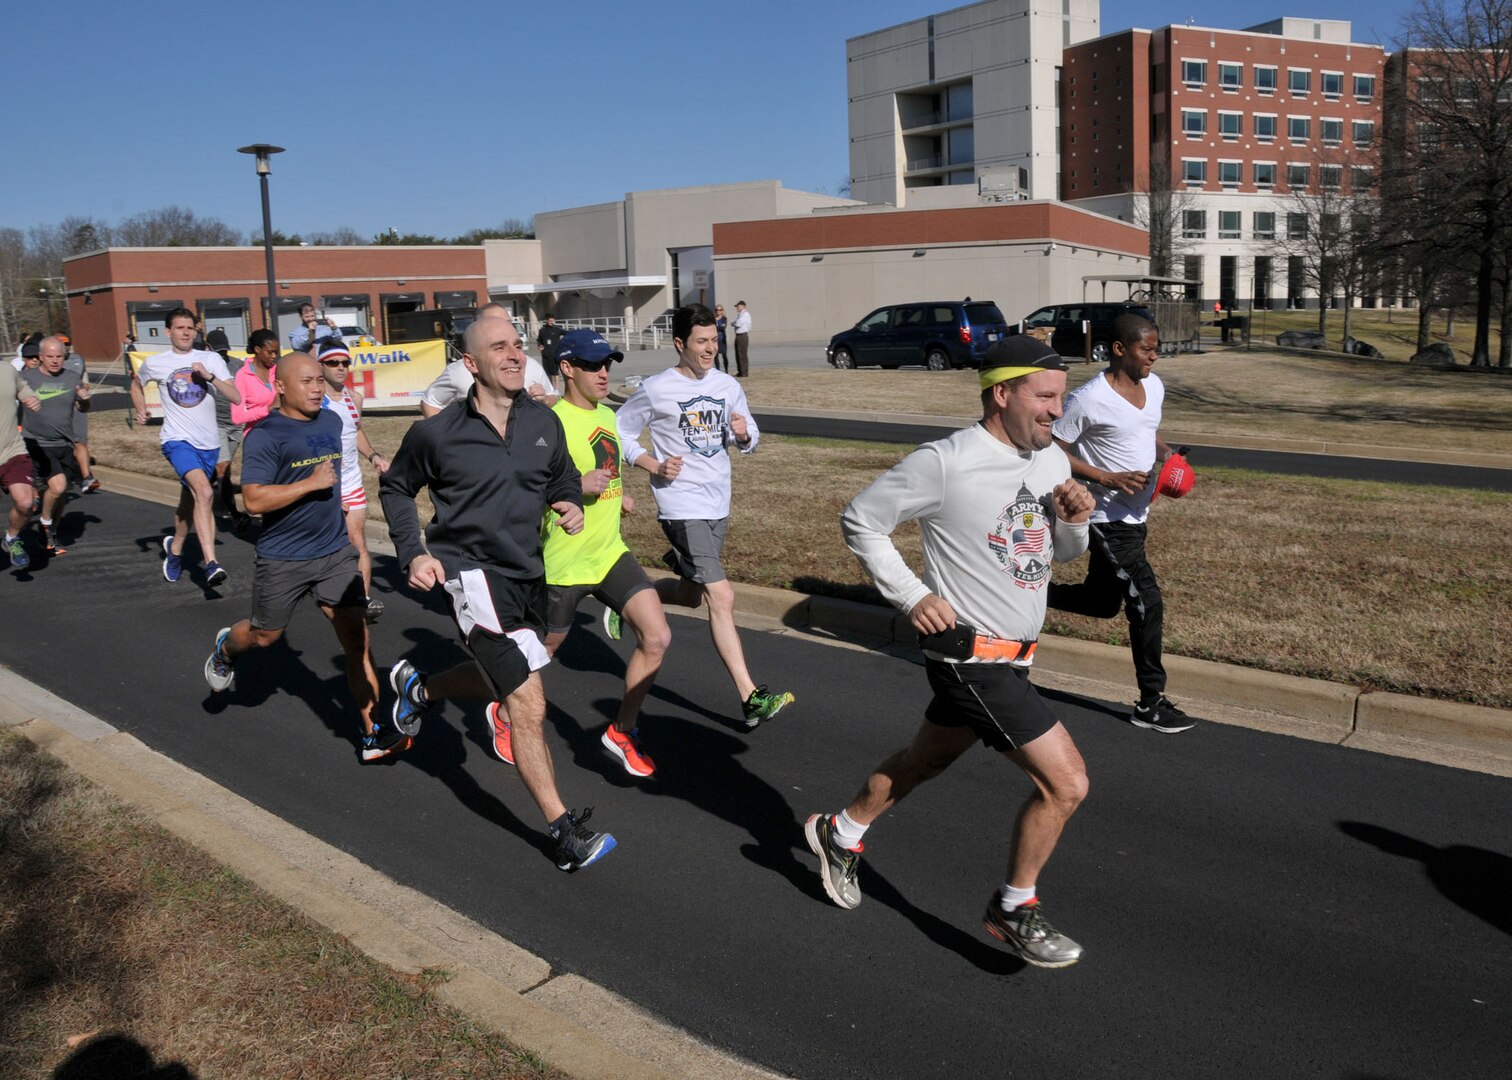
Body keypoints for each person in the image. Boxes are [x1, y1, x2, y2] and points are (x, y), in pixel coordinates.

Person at [806, 335, 1096, 969]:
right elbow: (861, 519)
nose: (1056, 410)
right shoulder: (947, 460)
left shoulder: (1050, 463)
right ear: (1002, 393)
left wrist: (1075, 518)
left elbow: (1056, 558)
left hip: (1016, 655)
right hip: (972, 662)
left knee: (925, 761)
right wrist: (911, 596)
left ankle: (841, 830)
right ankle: (1014, 906)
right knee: (1067, 784)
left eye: (1061, 398)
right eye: (1045, 397)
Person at [380, 315, 617, 872]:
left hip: (526, 575)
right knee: (527, 699)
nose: (513, 355)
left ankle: (419, 690)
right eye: (498, 348)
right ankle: (563, 831)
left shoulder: (543, 420)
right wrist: (413, 551)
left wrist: (567, 501)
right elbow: (395, 485)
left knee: (495, 677)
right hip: (469, 576)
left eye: (517, 346)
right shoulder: (437, 434)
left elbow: (558, 475)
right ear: (470, 364)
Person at [202, 352, 409, 763]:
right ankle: (227, 647)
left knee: (356, 641)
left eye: (320, 380)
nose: (317, 388)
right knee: (265, 636)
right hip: (283, 558)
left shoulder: (332, 421)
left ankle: (372, 733)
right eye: (307, 381)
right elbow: (255, 499)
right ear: (280, 387)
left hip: (333, 551)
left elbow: (338, 476)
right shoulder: (265, 435)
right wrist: (310, 484)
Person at [483, 329, 671, 777]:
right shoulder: (547, 422)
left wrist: (616, 496)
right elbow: (518, 485)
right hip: (562, 563)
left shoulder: (607, 415)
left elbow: (604, 464)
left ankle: (622, 730)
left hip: (608, 553)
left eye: (607, 364)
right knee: (532, 658)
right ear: (567, 369)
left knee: (657, 637)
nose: (604, 373)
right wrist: (568, 489)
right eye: (592, 365)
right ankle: (495, 709)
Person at [614, 303, 794, 728]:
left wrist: (745, 433)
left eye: (714, 340)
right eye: (702, 342)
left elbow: (749, 437)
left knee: (693, 595)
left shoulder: (727, 385)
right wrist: (650, 464)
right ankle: (751, 697)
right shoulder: (657, 388)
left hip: (718, 501)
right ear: (680, 344)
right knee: (722, 597)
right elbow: (618, 430)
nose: (710, 349)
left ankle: (632, 596)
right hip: (680, 504)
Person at [1048, 314, 1195, 734]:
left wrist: (1169, 456)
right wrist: (1106, 478)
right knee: (1147, 602)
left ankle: (1028, 594)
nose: (1155, 354)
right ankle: (1151, 703)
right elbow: (1053, 450)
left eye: (1157, 347)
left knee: (1100, 602)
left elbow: (1148, 431)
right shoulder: (1089, 399)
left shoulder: (1154, 386)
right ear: (1119, 349)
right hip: (1105, 516)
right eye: (1147, 348)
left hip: (1136, 514)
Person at [130, 308, 242, 588]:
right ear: (168, 331)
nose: (185, 333)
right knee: (204, 492)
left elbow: (236, 397)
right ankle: (212, 564)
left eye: (190, 328)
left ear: (197, 330)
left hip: (209, 443)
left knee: (189, 502)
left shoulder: (211, 359)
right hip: (176, 440)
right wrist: (141, 409)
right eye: (179, 328)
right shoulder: (157, 363)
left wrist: (210, 377)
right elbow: (136, 384)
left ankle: (175, 548)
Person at [317, 339, 388, 621]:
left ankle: (363, 600)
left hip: (351, 480)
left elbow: (356, 431)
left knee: (356, 539)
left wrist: (373, 457)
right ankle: (324, 592)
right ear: (321, 365)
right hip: (322, 483)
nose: (341, 368)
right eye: (333, 363)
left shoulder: (354, 398)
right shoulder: (312, 399)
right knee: (324, 544)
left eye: (345, 363)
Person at [20, 337, 91, 556]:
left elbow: (84, 407)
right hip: (37, 443)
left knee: (60, 494)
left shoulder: (71, 378)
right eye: (49, 356)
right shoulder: (26, 377)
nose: (54, 361)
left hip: (64, 443)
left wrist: (84, 398)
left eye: (59, 356)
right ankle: (44, 521)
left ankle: (49, 533)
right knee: (58, 486)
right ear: (40, 357)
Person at [421, 303, 555, 416]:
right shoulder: (459, 371)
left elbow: (553, 397)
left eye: (508, 323)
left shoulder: (529, 364)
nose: (504, 328)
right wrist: (446, 440)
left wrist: (545, 400)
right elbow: (430, 403)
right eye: (495, 322)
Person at [204, 329, 249, 530]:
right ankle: (234, 514)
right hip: (217, 424)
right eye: (218, 351)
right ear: (208, 349)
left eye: (224, 351)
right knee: (222, 469)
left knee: (223, 469)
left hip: (237, 424)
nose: (222, 355)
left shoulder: (238, 366)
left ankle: (205, 492)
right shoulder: (203, 368)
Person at [2, 356, 40, 569]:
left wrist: (31, 399)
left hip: (12, 450)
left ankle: (12, 538)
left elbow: (24, 390)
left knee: (25, 502)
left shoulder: (7, 370)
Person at [59, 346, 100, 493]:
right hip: (55, 411)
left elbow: (85, 383)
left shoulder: (77, 361)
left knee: (80, 442)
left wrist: (81, 393)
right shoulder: (40, 370)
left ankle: (87, 477)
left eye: (66, 343)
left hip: (76, 407)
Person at [731, 300, 752, 377]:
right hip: (738, 335)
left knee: (742, 354)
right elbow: (732, 322)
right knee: (738, 354)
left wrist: (734, 323)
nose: (737, 308)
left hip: (743, 335)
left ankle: (744, 372)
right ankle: (740, 371)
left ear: (743, 306)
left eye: (738, 306)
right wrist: (734, 323)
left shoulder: (745, 314)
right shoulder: (739, 315)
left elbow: (738, 323)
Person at [714, 304, 730, 373]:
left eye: (720, 310)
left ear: (722, 311)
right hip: (715, 340)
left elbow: (723, 327)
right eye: (716, 310)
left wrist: (716, 326)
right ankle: (718, 370)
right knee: (715, 356)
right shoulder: (713, 319)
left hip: (722, 339)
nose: (718, 311)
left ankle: (726, 371)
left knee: (724, 355)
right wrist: (718, 327)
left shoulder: (724, 319)